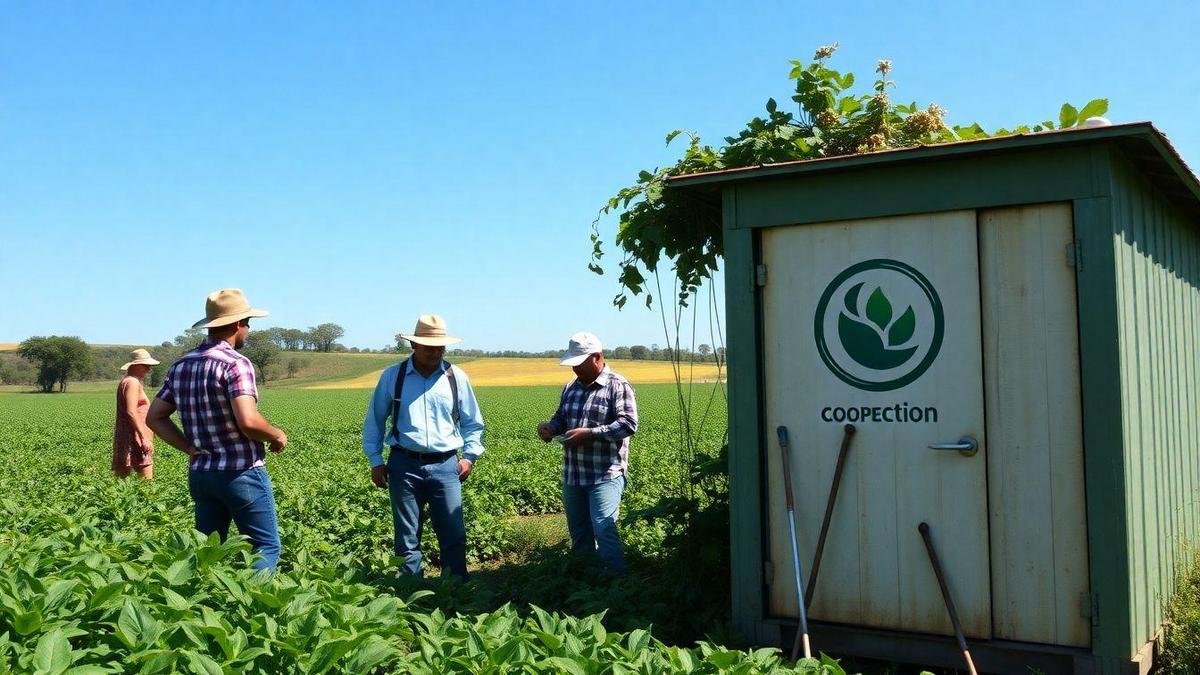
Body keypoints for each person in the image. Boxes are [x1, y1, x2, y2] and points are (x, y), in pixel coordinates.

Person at [147, 288, 288, 572]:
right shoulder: (236, 364)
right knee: (265, 546)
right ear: (237, 324)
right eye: (248, 323)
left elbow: (155, 417)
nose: (248, 330)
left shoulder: (181, 365)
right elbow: (248, 421)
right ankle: (252, 607)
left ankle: (207, 605)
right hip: (241, 472)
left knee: (210, 551)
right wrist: (275, 434)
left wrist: (188, 447)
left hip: (201, 474)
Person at [363, 314, 485, 580]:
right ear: (414, 346)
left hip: (446, 465)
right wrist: (375, 460)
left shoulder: (456, 377)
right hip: (403, 464)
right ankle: (408, 591)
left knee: (453, 533)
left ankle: (455, 592)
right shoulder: (393, 377)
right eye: (430, 347)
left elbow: (473, 422)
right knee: (406, 537)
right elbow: (374, 421)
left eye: (440, 347)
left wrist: (470, 457)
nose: (436, 352)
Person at [537, 332, 638, 574]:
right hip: (574, 473)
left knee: (604, 528)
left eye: (579, 363)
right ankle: (585, 579)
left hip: (605, 474)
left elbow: (628, 424)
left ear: (597, 357)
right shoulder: (570, 387)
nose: (575, 370)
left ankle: (615, 583)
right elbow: (562, 417)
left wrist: (590, 433)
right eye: (572, 364)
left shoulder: (617, 385)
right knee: (579, 530)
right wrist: (551, 428)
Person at [112, 348, 160, 479]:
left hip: (129, 435)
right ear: (136, 365)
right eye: (146, 366)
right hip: (135, 436)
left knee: (121, 480)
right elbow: (131, 412)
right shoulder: (132, 382)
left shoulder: (128, 381)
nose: (149, 369)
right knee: (146, 485)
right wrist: (143, 437)